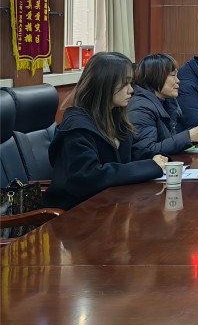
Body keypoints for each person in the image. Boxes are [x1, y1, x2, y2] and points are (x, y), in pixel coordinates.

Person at [43, 52, 167, 211]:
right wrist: (150, 166)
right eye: (125, 83)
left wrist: (154, 159)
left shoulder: (115, 119)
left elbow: (127, 156)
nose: (131, 90)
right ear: (105, 84)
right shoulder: (77, 128)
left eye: (131, 83)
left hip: (110, 205)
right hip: (78, 213)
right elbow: (90, 177)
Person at [129, 53, 198, 159]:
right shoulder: (141, 107)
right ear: (156, 77)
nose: (178, 81)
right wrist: (188, 137)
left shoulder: (167, 102)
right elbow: (145, 150)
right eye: (173, 75)